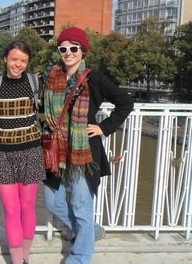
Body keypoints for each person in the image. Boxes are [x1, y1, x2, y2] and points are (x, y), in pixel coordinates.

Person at [43, 27, 133, 264]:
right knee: (52, 201)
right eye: (63, 48)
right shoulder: (51, 76)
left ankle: (79, 258)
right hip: (57, 152)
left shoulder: (94, 78)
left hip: (84, 154)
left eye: (74, 48)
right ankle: (92, 232)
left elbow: (125, 102)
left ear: (83, 51)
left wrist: (104, 128)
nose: (68, 52)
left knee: (81, 206)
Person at [0, 41, 45, 264]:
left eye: (23, 61)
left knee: (27, 206)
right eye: (14, 59)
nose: (17, 64)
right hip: (2, 153)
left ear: (27, 62)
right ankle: (17, 260)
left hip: (30, 150)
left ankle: (25, 256)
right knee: (11, 209)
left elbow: (53, 105)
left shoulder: (35, 81)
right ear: (5, 59)